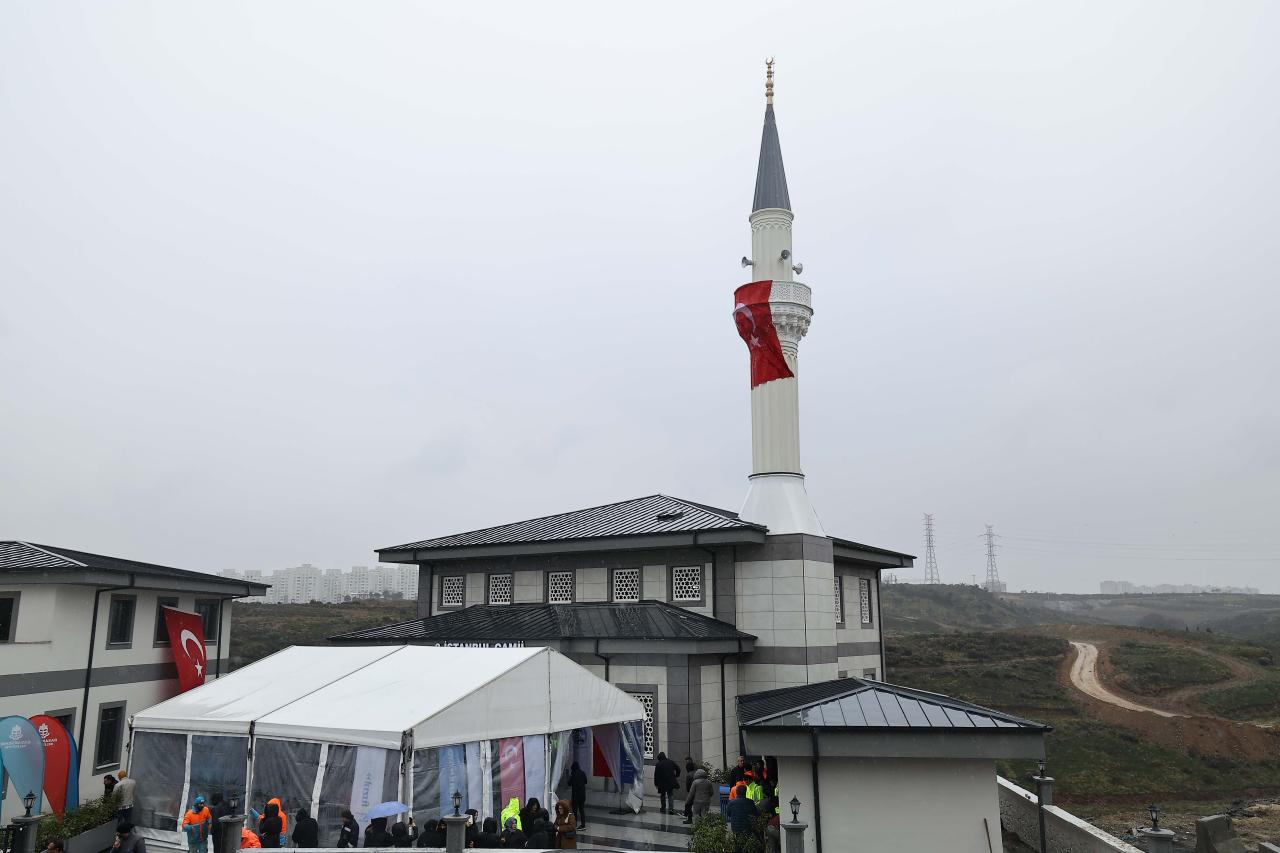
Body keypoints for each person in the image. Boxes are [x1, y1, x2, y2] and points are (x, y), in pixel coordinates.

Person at [724, 784, 758, 853]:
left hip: (736, 827)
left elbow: (728, 814)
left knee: (737, 844)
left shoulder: (732, 802)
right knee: (747, 844)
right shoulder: (750, 802)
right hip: (747, 827)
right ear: (745, 792)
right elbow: (755, 814)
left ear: (736, 792)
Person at [567, 762, 588, 831]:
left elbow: (569, 783)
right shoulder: (583, 773)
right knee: (582, 810)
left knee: (575, 811)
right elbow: (586, 781)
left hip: (575, 795)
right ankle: (583, 825)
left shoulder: (573, 774)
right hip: (582, 795)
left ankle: (574, 824)